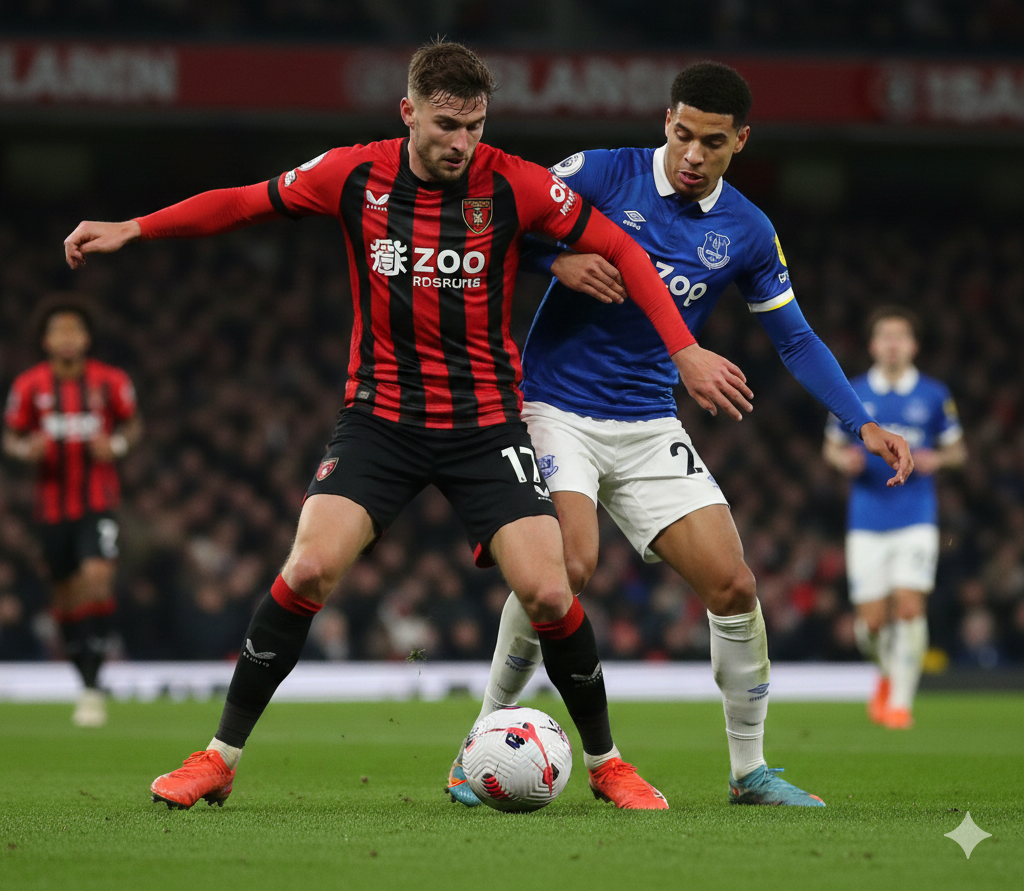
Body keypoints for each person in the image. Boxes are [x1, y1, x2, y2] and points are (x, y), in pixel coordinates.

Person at [63, 41, 754, 811]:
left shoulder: (517, 183)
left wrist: (684, 349)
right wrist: (135, 228)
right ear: (409, 112)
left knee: (553, 593)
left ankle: (606, 764)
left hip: (485, 424)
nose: (462, 143)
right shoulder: (352, 174)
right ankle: (218, 758)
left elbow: (619, 245)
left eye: (476, 126)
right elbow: (243, 201)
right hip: (380, 420)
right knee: (307, 570)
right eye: (447, 124)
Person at [445, 61, 913, 810]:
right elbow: (492, 221)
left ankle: (749, 771)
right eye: (684, 134)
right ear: (667, 121)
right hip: (553, 406)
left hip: (647, 419)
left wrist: (862, 421)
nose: (694, 154)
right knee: (567, 567)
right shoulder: (600, 174)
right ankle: (477, 745)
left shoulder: (749, 230)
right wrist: (554, 259)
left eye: (714, 142)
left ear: (740, 142)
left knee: (733, 585)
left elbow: (795, 340)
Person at [3, 296, 141, 726]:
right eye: (59, 330)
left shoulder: (110, 381)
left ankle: (94, 684)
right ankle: (85, 679)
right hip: (50, 509)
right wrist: (25, 449)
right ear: (46, 340)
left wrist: (117, 444)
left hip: (98, 502)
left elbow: (133, 424)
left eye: (74, 330)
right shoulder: (29, 386)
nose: (67, 337)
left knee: (98, 578)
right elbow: (11, 436)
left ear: (86, 338)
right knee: (63, 597)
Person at [824, 306, 964, 729]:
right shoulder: (852, 391)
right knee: (869, 626)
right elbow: (830, 447)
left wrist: (936, 459)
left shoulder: (934, 394)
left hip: (916, 514)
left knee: (907, 607)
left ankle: (901, 703)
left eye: (900, 336)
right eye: (885, 335)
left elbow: (958, 451)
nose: (892, 343)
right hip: (866, 517)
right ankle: (888, 676)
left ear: (913, 345)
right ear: (872, 345)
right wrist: (841, 461)